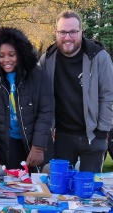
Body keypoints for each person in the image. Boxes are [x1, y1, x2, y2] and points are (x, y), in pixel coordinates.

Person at [40, 10, 113, 173]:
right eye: (63, 32)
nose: (67, 37)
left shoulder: (99, 56)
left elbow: (108, 96)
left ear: (81, 32)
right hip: (62, 138)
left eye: (73, 32)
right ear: (56, 32)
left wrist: (102, 132)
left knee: (90, 193)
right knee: (60, 191)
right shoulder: (48, 58)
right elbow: (30, 79)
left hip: (93, 136)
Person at [0, 27, 54, 173]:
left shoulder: (37, 75)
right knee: (10, 189)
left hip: (34, 142)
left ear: (20, 53)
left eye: (11, 55)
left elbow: (46, 110)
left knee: (37, 190)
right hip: (6, 145)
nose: (6, 60)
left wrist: (38, 147)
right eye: (1, 56)